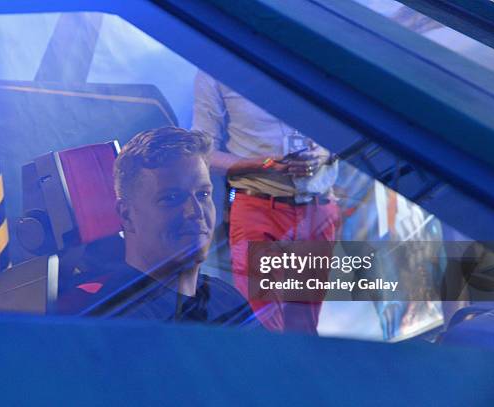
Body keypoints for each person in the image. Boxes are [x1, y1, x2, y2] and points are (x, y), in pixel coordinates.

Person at [58, 127, 257, 327]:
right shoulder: (116, 318)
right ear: (126, 215)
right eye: (171, 198)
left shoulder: (227, 299)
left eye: (203, 194)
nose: (195, 211)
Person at [192, 70, 340, 333]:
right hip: (258, 209)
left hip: (318, 207)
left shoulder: (313, 55)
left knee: (304, 328)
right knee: (261, 326)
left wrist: (323, 153)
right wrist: (265, 166)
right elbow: (204, 153)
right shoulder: (214, 70)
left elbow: (345, 123)